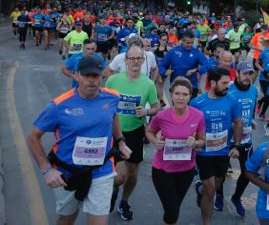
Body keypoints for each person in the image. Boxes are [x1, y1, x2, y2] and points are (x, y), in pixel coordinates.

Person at [27, 55, 132, 225]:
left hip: (101, 169)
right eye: (86, 76)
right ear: (76, 75)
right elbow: (33, 136)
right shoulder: (58, 105)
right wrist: (46, 170)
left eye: (96, 76)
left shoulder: (112, 97)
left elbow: (113, 116)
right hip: (67, 172)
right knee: (67, 218)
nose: (92, 81)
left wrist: (120, 141)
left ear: (102, 76)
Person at [106, 45, 160, 220]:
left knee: (132, 173)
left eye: (139, 58)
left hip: (135, 131)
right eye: (132, 58)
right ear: (125, 60)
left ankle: (124, 201)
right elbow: (104, 104)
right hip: (115, 132)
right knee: (120, 176)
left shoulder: (148, 84)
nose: (136, 61)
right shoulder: (113, 81)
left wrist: (146, 112)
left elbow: (156, 106)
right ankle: (113, 189)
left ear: (143, 60)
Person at [146, 77, 205, 225]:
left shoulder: (198, 116)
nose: (180, 98)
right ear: (171, 94)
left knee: (174, 209)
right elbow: (149, 131)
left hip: (186, 170)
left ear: (190, 96)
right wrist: (155, 142)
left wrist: (195, 143)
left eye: (185, 94)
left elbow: (202, 141)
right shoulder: (162, 116)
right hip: (162, 170)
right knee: (172, 211)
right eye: (177, 93)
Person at [190, 67, 242, 223]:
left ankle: (201, 191)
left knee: (216, 186)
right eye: (224, 83)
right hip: (203, 153)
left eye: (229, 82)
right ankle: (207, 221)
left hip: (223, 152)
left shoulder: (232, 100)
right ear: (212, 83)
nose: (228, 86)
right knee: (211, 189)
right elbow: (190, 126)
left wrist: (236, 146)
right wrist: (194, 143)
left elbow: (238, 122)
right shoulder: (197, 103)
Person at [226, 61, 259, 217]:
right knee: (220, 174)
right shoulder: (228, 89)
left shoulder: (254, 89)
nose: (248, 77)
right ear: (237, 73)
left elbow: (250, 109)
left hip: (246, 139)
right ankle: (219, 194)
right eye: (245, 73)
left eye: (250, 73)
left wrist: (251, 119)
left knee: (248, 172)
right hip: (226, 139)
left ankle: (236, 197)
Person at [158, 31, 213, 98]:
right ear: (182, 41)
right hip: (176, 86)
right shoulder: (173, 51)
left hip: (192, 87)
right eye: (187, 42)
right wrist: (164, 72)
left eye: (192, 42)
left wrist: (196, 70)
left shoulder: (196, 52)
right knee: (176, 108)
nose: (190, 45)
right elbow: (162, 64)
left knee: (190, 108)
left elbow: (208, 65)